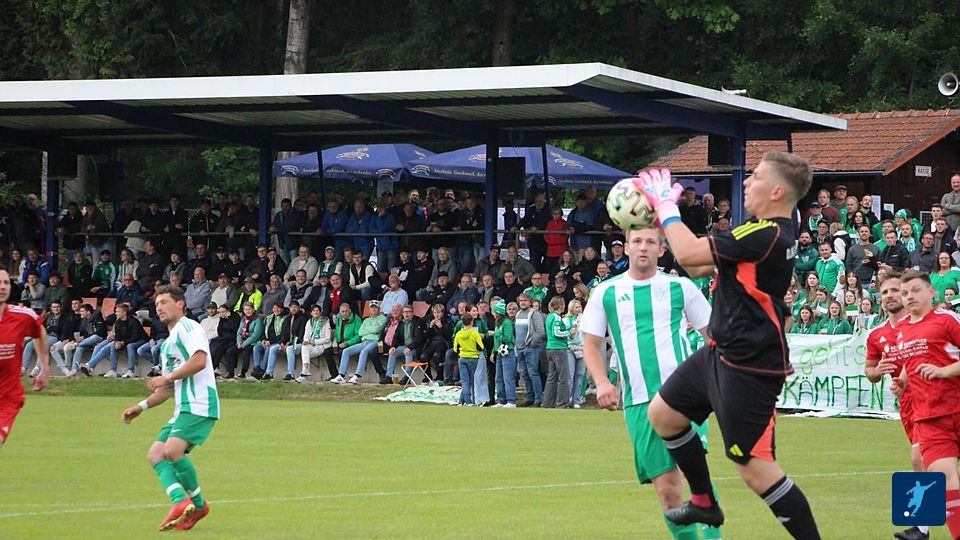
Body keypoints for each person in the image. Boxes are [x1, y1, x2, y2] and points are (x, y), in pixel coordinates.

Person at [641, 154, 821, 538]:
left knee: (757, 471)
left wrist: (668, 207)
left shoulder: (765, 235)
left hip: (749, 366)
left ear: (777, 191)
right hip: (722, 352)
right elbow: (698, 266)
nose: (746, 182)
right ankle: (704, 502)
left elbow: (689, 255)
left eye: (756, 177)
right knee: (664, 415)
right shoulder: (768, 231)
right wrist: (666, 223)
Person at [581, 227, 718, 540]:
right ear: (627, 248)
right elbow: (591, 343)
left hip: (685, 396)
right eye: (637, 242)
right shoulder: (606, 292)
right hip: (639, 401)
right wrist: (602, 383)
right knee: (667, 490)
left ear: (661, 249)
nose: (643, 247)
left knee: (696, 477)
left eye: (651, 242)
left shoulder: (680, 287)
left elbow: (714, 337)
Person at [121, 284, 218, 531]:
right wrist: (141, 406)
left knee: (173, 450)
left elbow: (199, 361)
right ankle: (181, 502)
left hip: (200, 403)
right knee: (155, 455)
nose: (159, 308)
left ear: (180, 304)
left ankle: (198, 505)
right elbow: (167, 389)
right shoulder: (166, 345)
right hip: (182, 407)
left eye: (164, 302)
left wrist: (166, 377)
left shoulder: (190, 327)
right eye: (156, 304)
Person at [887, 270, 960, 539]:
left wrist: (943, 371)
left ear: (931, 291)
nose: (908, 296)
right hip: (927, 414)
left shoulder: (946, 319)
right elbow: (907, 361)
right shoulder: (897, 330)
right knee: (939, 474)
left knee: (922, 463)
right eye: (903, 292)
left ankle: (920, 527)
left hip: (955, 407)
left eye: (915, 290)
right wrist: (902, 381)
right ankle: (921, 527)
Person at [860, 272, 926, 540]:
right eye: (885, 292)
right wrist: (878, 371)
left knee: (920, 458)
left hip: (933, 398)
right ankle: (921, 527)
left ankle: (920, 527)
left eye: (895, 290)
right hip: (908, 404)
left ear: (906, 294)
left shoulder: (921, 324)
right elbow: (869, 370)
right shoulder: (877, 335)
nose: (889, 296)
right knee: (932, 462)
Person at [0, 268, 49, 447]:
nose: (3, 287)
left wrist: (44, 368)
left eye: (6, 282)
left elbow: (39, 331)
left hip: (7, 398)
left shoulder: (22, 315)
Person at [541, 296, 571, 408]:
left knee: (552, 377)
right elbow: (556, 332)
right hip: (559, 348)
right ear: (561, 305)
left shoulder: (549, 317)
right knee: (563, 377)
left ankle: (548, 402)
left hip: (550, 348)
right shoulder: (556, 317)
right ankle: (562, 403)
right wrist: (569, 332)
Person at [453, 313, 484, 405]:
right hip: (473, 358)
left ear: (462, 322)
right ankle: (468, 401)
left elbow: (455, 349)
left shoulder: (459, 334)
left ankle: (461, 401)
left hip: (462, 357)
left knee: (465, 381)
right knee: (470, 381)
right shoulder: (474, 333)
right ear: (472, 322)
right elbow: (480, 347)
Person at [300, 304, 333, 382]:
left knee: (305, 352)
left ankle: (304, 375)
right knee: (304, 347)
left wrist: (314, 342)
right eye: (314, 311)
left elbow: (327, 339)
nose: (315, 312)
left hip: (322, 346)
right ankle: (305, 371)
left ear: (320, 312)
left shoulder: (325, 321)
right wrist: (306, 341)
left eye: (317, 310)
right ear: (311, 313)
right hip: (312, 346)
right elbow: (306, 335)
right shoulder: (309, 322)